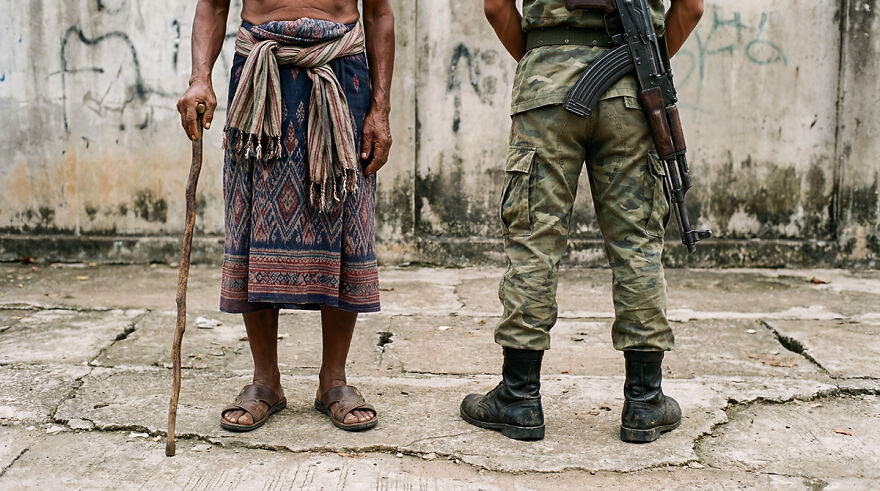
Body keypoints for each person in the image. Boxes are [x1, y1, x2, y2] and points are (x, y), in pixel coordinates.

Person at [460, 0, 704, 442]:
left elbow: (497, 7)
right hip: (633, 91)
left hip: (546, 90)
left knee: (534, 239)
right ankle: (645, 402)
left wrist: (547, 60)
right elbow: (692, 8)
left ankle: (519, 397)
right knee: (638, 245)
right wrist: (641, 60)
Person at [177, 0, 394, 433]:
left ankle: (333, 381)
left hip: (341, 74)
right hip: (259, 73)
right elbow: (214, 6)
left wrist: (380, 109)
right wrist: (200, 78)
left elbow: (379, 14)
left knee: (344, 218)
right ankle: (265, 382)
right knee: (253, 220)